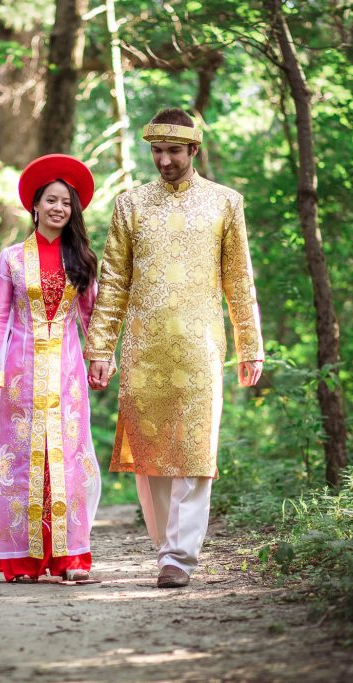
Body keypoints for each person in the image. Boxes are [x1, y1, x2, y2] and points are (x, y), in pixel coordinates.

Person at [85, 109, 264, 588]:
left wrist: (251, 345)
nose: (164, 160)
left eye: (173, 151)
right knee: (149, 456)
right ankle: (166, 547)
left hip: (201, 346)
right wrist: (99, 348)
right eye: (157, 151)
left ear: (194, 151)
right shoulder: (130, 206)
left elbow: (239, 279)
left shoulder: (226, 204)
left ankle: (180, 558)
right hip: (143, 347)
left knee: (194, 452)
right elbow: (114, 281)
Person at [0, 154, 102, 583]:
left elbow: (94, 318)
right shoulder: (10, 259)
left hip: (67, 375)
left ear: (73, 210)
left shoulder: (80, 259)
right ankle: (21, 561)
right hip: (18, 377)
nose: (59, 208)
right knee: (25, 459)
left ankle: (68, 559)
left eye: (66, 203)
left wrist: (101, 359)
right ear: (35, 206)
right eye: (51, 200)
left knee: (65, 456)